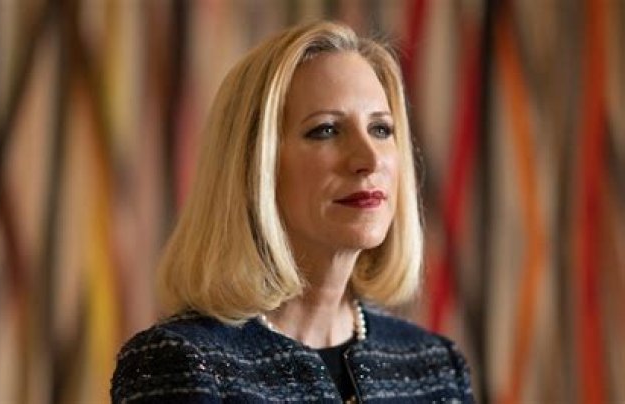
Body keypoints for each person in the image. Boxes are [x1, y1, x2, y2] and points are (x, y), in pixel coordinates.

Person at [111, 20, 474, 403]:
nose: (369, 159)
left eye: (381, 129)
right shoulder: (181, 362)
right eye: (326, 130)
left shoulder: (436, 368)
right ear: (254, 165)